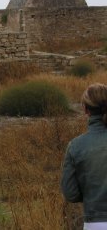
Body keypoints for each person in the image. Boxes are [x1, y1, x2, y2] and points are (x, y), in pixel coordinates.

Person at [61, 83, 107, 230]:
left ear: (85, 109)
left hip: (95, 222)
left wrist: (91, 193)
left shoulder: (76, 146)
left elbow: (70, 193)